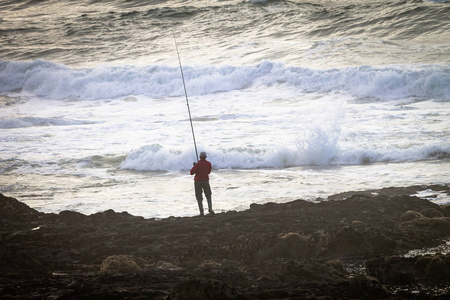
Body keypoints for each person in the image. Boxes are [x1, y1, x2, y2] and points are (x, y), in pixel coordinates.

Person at [190, 151, 213, 216]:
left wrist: (194, 166)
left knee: (199, 197)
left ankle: (201, 212)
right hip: (206, 181)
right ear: (205, 157)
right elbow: (208, 172)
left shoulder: (198, 164)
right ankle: (210, 209)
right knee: (208, 195)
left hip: (198, 182)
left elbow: (191, 172)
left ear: (200, 157)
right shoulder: (208, 164)